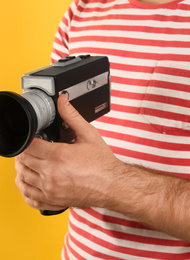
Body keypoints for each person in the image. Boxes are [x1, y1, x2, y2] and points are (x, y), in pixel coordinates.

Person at [14, 0, 190, 258]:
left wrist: (110, 183)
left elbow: (98, 177)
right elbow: (66, 150)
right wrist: (47, 181)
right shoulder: (80, 11)